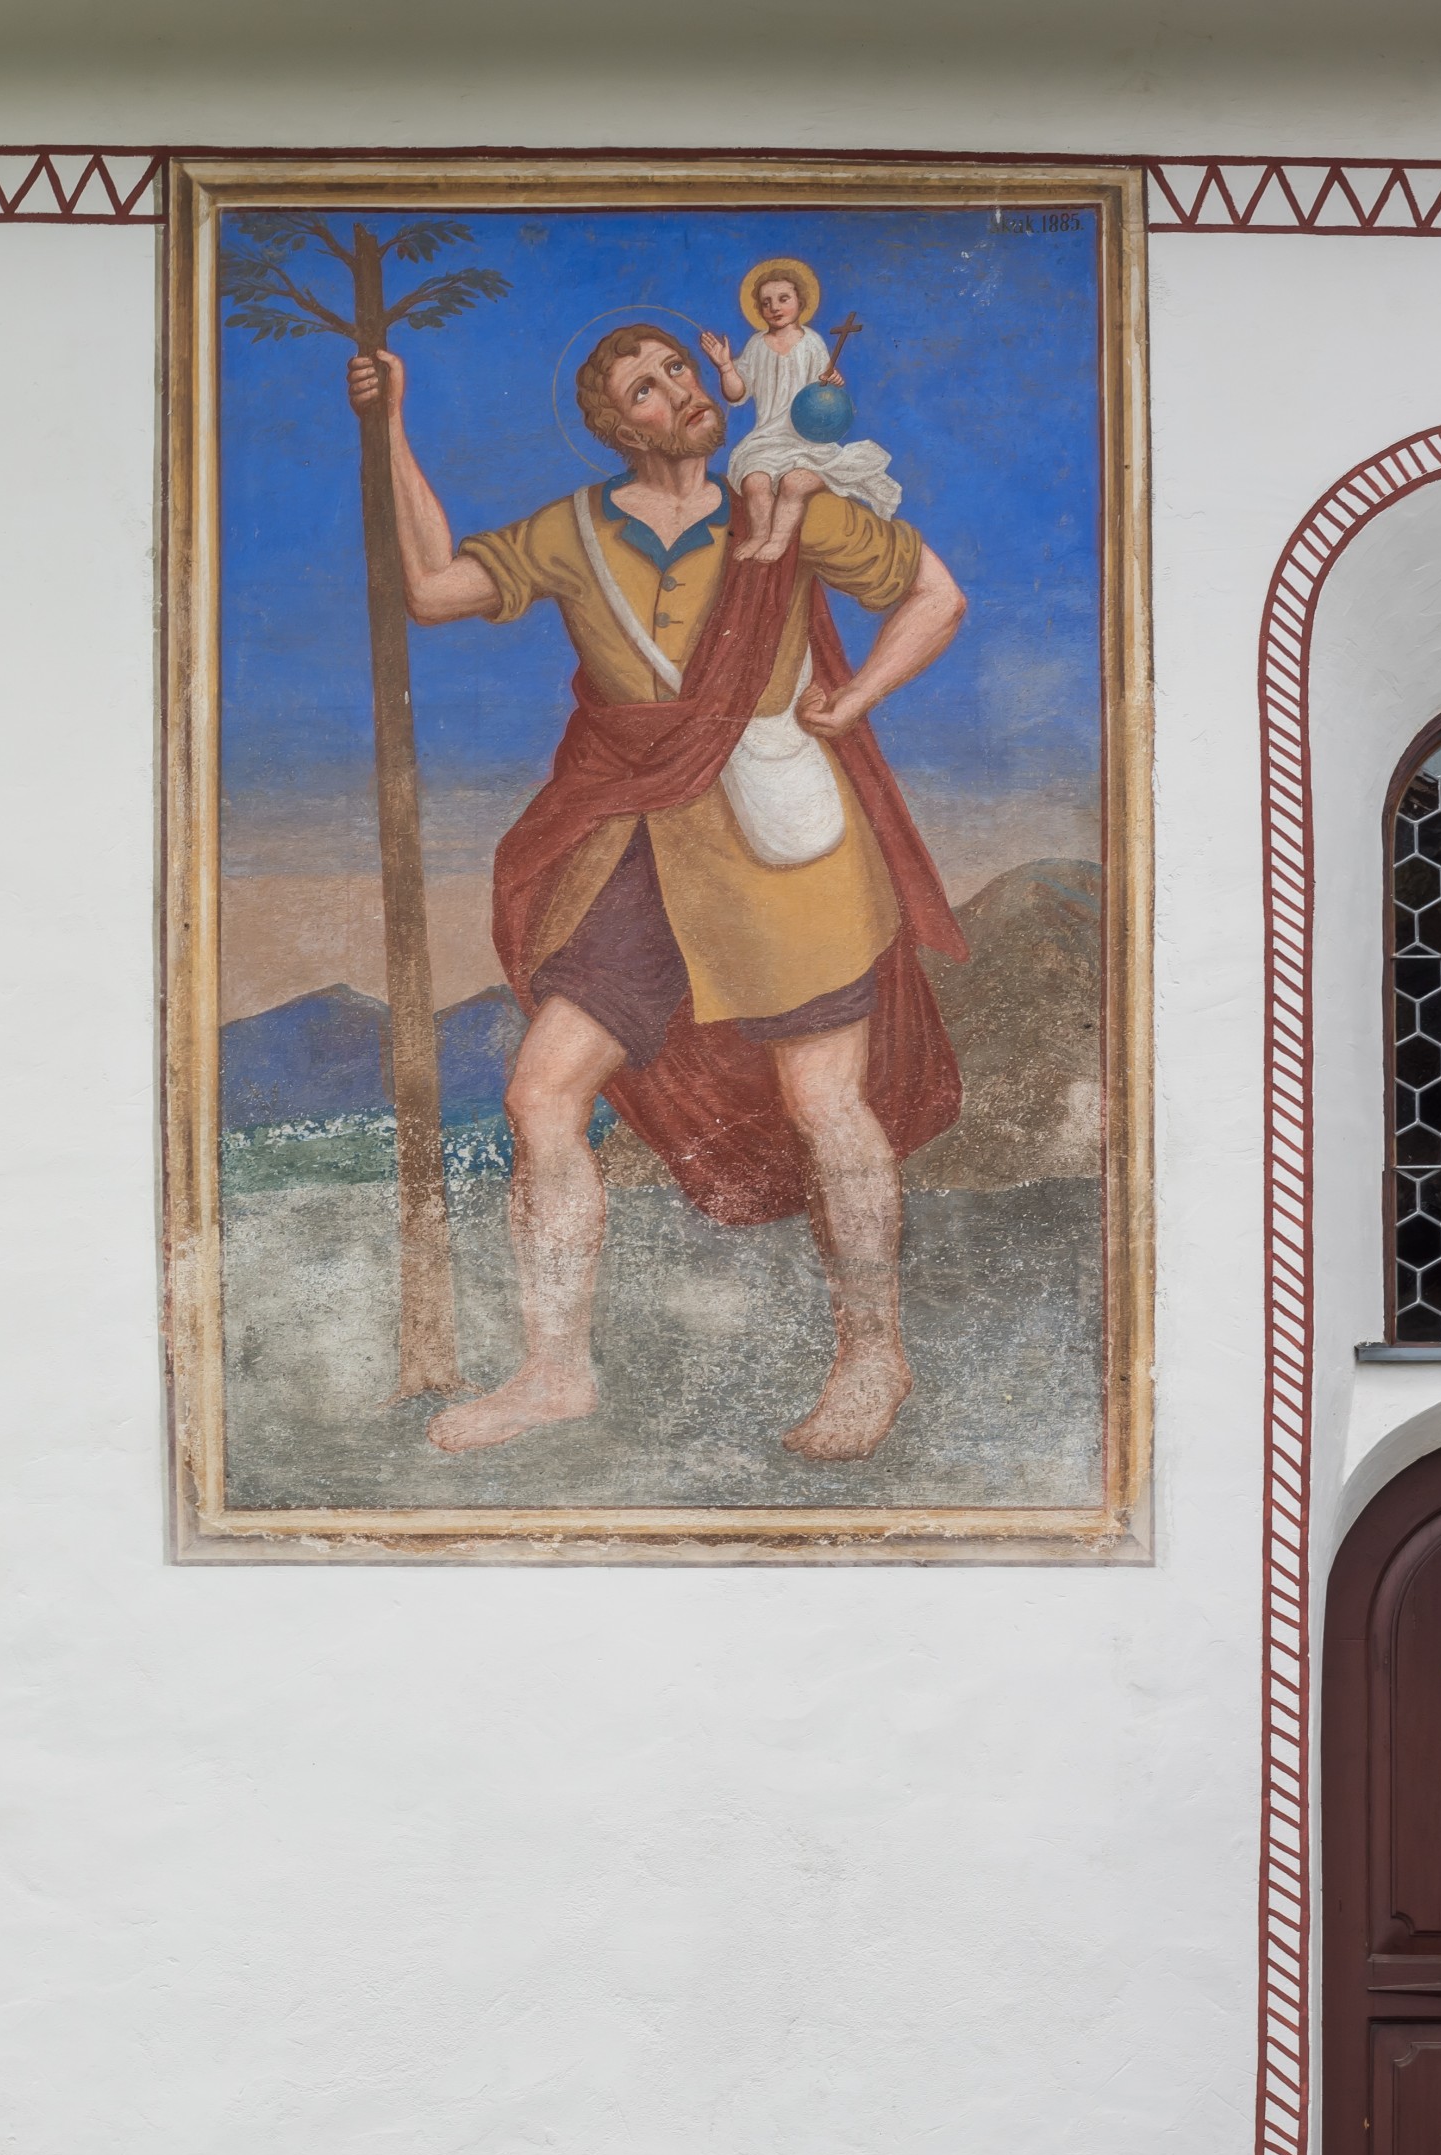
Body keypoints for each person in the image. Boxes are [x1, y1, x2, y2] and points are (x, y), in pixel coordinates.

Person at [342, 327, 970, 1463]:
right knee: (541, 1096)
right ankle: (553, 1371)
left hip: (782, 846)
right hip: (634, 841)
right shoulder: (572, 533)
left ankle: (871, 1355)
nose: (679, 391)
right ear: (616, 423)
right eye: (648, 385)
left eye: (680, 370)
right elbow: (433, 591)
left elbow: (932, 594)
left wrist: (858, 694)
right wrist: (386, 427)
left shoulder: (781, 500)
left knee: (825, 1103)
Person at [698, 257, 899, 563]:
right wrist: (726, 366)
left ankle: (777, 541)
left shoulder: (812, 343)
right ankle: (759, 535)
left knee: (794, 482)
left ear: (800, 302)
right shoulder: (756, 345)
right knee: (755, 482)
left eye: (783, 299)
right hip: (767, 440)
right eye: (766, 303)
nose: (774, 307)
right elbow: (737, 393)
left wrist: (832, 382)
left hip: (806, 441)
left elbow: (824, 394)